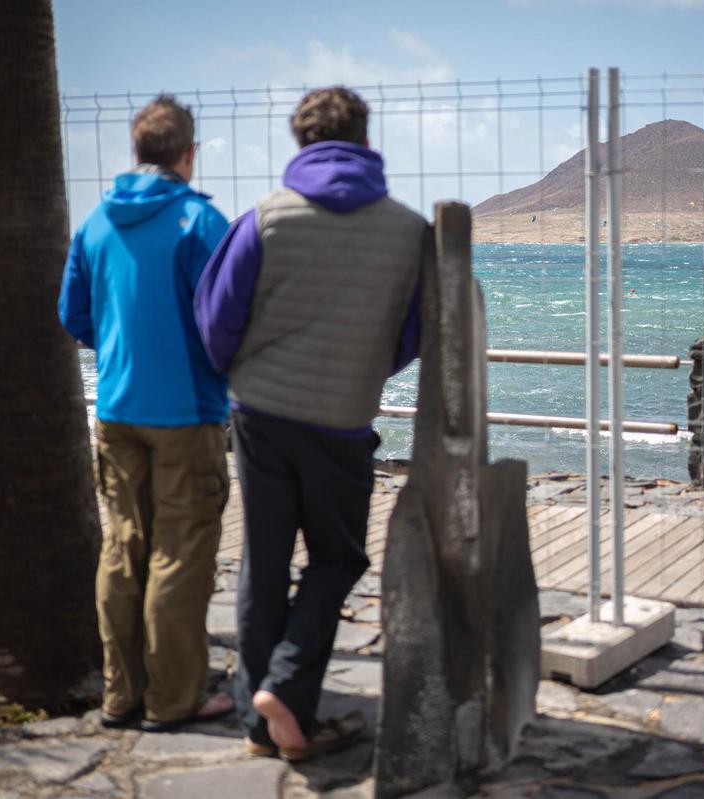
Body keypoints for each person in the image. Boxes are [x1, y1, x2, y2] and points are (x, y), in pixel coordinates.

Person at [194, 86, 423, 760]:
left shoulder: (264, 218)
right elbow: (414, 333)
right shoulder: (410, 231)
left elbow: (216, 320)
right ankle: (287, 693)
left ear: (301, 143)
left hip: (259, 413)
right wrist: (363, 368)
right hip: (341, 419)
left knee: (263, 564)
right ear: (366, 140)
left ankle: (262, 722)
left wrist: (245, 372)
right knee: (338, 557)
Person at [59, 94, 234, 732]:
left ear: (136, 151)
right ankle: (172, 699)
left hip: (117, 407)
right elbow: (227, 318)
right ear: (189, 154)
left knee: (123, 545)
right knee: (180, 553)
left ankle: (120, 694)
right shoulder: (199, 221)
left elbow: (73, 314)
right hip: (186, 413)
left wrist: (118, 347)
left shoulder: (96, 222)